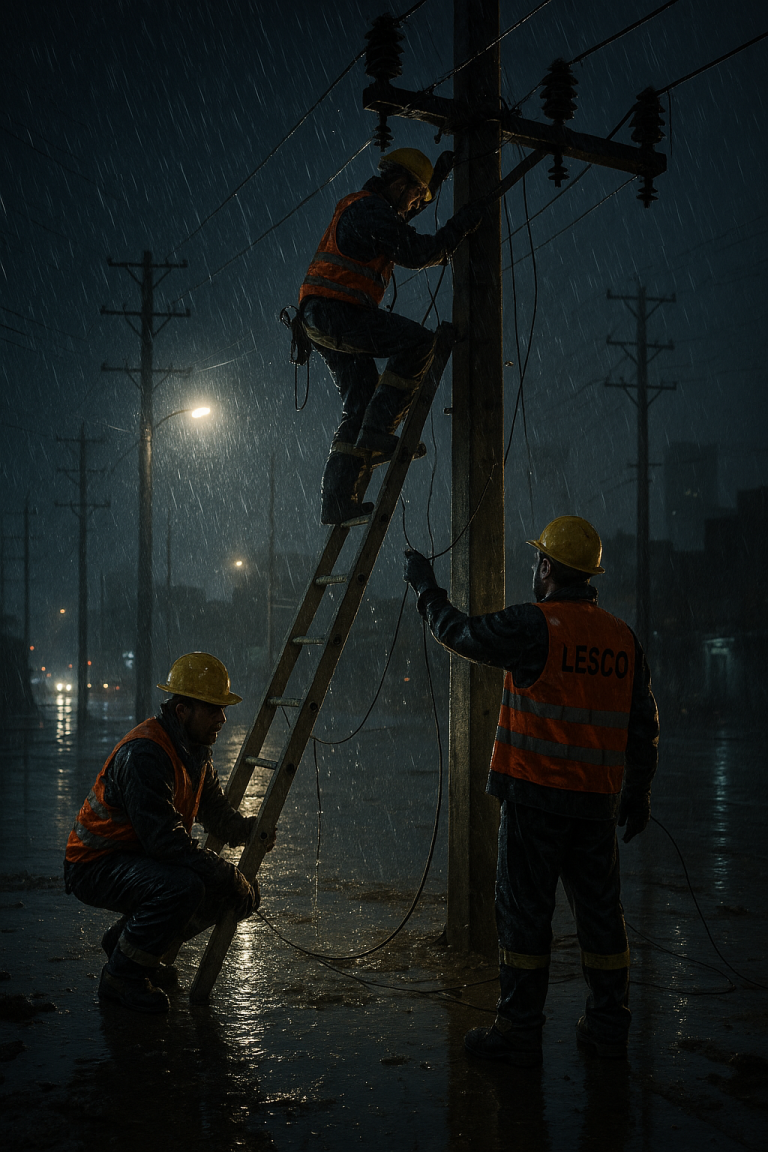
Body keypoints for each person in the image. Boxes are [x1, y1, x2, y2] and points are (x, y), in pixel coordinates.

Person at [403, 516, 659, 1065]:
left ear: (546, 567)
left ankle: (519, 1033)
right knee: (600, 917)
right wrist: (637, 795)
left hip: (535, 800)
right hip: (596, 806)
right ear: (588, 575)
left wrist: (426, 588)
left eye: (537, 562)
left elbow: (458, 633)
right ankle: (609, 1026)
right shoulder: (622, 638)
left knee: (524, 919)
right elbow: (644, 727)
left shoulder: (534, 626)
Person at [64, 652, 266, 1015]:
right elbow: (166, 844)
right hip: (94, 864)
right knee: (184, 886)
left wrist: (247, 830)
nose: (222, 718)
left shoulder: (194, 750)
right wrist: (227, 874)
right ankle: (121, 977)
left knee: (221, 890)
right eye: (213, 709)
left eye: (223, 708)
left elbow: (215, 811)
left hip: (132, 856)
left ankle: (125, 944)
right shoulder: (146, 754)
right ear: (181, 711)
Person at [298, 146, 484, 524]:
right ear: (400, 183)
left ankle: (335, 501)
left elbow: (402, 217)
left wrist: (436, 180)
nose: (416, 202)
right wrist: (461, 226)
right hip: (338, 314)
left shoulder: (367, 206)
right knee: (418, 342)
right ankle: (378, 431)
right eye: (415, 193)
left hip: (322, 318)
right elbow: (416, 252)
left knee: (361, 402)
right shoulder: (371, 212)